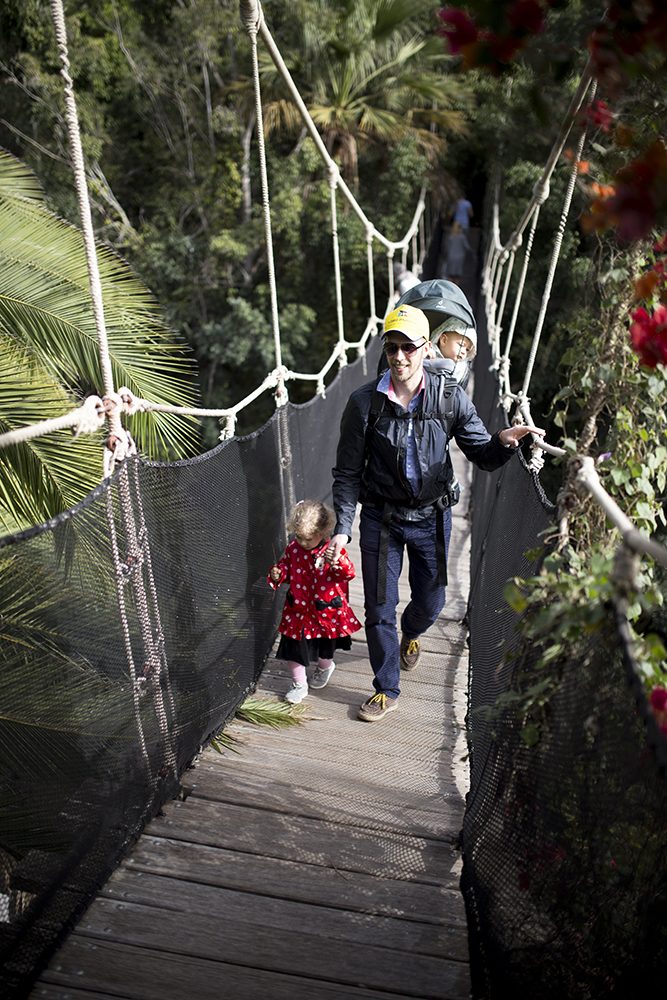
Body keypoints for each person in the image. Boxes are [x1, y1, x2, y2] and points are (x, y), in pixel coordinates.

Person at [327, 304, 544, 723]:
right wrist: (343, 529)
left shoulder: (450, 399)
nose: (400, 357)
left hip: (432, 516)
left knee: (432, 600)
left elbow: (481, 454)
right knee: (377, 607)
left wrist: (504, 440)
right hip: (381, 518)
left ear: (427, 349)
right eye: (392, 348)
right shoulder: (363, 405)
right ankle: (386, 687)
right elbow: (347, 473)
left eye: (409, 347)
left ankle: (412, 632)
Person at [268, 499, 361, 704]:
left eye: (307, 539)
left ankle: (325, 666)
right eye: (298, 537)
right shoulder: (294, 549)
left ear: (323, 532)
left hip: (325, 611)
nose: (302, 543)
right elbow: (285, 567)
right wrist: (278, 574)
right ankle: (299, 683)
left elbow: (348, 573)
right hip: (298, 611)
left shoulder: (330, 550)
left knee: (324, 649)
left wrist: (336, 561)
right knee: (293, 648)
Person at [443, 221, 472, 286]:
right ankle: (456, 290)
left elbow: (447, 247)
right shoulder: (462, 237)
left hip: (451, 257)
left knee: (450, 275)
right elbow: (467, 247)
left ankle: (449, 288)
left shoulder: (450, 237)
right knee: (457, 276)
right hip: (459, 258)